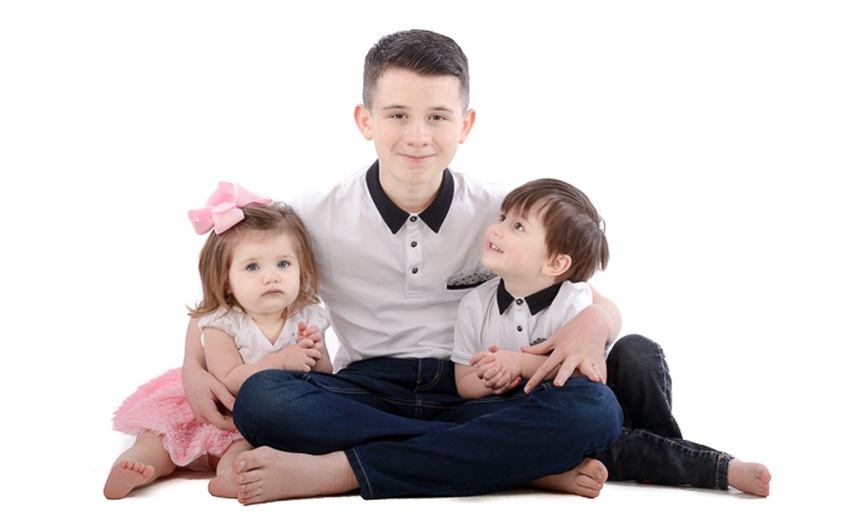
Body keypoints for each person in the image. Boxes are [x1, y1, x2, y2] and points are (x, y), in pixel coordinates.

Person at [185, 29, 624, 504]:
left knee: (595, 410)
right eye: (398, 115)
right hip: (362, 392)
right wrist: (192, 365)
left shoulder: (504, 215)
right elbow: (226, 279)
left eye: (438, 116)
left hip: (476, 391)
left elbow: (584, 296)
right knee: (263, 400)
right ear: (365, 119)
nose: (418, 136)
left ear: (466, 124)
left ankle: (342, 470)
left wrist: (597, 322)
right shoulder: (314, 213)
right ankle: (507, 461)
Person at [453, 178, 772, 497]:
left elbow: (583, 376)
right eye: (502, 218)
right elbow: (463, 381)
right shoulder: (474, 304)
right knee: (580, 432)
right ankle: (701, 465)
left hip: (604, 399)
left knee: (637, 349)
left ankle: (665, 447)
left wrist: (518, 363)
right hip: (557, 416)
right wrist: (493, 377)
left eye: (518, 227)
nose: (497, 229)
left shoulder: (573, 298)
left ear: (556, 263)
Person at [104, 183, 332, 499]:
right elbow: (227, 378)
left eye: (283, 264)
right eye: (253, 266)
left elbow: (324, 380)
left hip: (257, 419)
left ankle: (231, 475)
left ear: (301, 267)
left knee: (247, 448)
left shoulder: (306, 316)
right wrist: (281, 361)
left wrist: (314, 353)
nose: (271, 276)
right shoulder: (222, 322)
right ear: (225, 280)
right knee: (161, 438)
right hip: (218, 406)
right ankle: (136, 464)